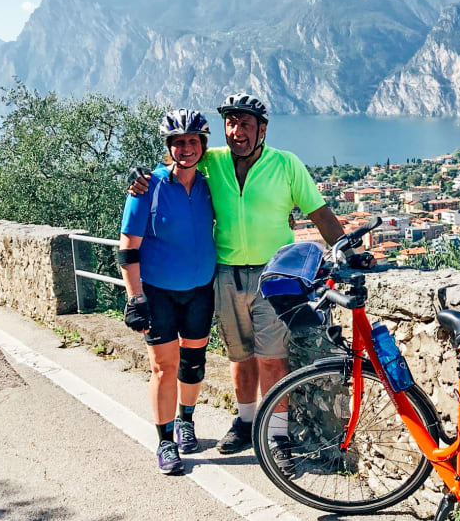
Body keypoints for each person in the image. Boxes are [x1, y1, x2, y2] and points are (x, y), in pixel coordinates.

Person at [129, 93, 372, 455]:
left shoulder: (286, 164)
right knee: (239, 358)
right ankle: (245, 423)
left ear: (262, 129)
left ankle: (276, 435)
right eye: (231, 123)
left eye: (245, 123)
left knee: (272, 358)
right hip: (225, 274)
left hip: (273, 275)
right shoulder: (213, 161)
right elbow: (178, 160)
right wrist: (138, 176)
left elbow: (319, 213)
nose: (237, 131)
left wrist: (348, 250)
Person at [119, 109, 216, 475]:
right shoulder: (147, 187)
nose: (186, 148)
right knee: (164, 367)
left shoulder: (209, 185)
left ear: (202, 146)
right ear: (168, 147)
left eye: (192, 141)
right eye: (178, 142)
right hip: (157, 292)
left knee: (193, 363)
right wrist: (135, 297)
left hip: (200, 289)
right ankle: (165, 440)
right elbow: (128, 247)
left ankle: (187, 419)